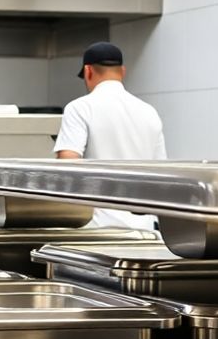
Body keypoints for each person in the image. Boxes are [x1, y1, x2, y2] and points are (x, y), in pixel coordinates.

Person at [54, 42, 166, 230]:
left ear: (88, 71)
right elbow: (161, 174)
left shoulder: (80, 108)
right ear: (122, 71)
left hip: (96, 228)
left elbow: (68, 164)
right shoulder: (149, 112)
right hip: (144, 229)